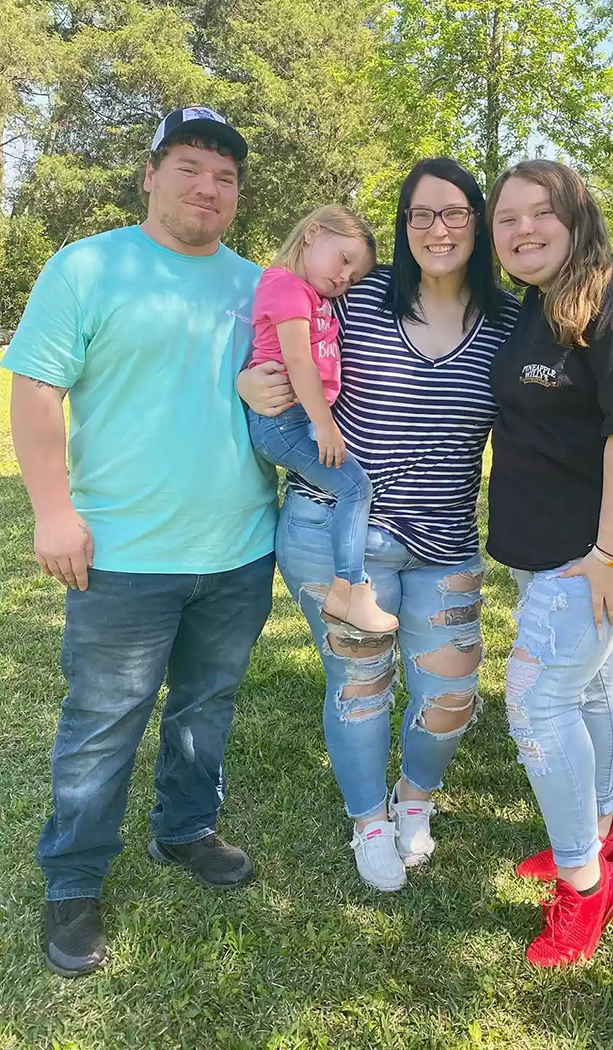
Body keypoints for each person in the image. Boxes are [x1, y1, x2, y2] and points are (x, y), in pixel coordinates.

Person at [3, 106, 278, 978]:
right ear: (151, 174)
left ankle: (186, 830)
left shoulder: (260, 286)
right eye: (192, 166)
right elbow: (36, 389)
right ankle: (74, 878)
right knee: (102, 722)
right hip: (121, 554)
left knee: (207, 704)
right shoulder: (87, 266)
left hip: (239, 547)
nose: (209, 186)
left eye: (226, 176)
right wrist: (53, 511)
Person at [239, 157, 519, 891]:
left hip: (446, 540)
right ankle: (368, 819)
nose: (438, 228)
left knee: (450, 693)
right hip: (336, 533)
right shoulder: (355, 300)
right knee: (360, 687)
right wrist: (244, 380)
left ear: (478, 223)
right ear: (402, 225)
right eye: (419, 214)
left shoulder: (510, 321)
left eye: (455, 212)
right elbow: (275, 338)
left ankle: (413, 800)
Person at [486, 159, 613, 968]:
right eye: (507, 218)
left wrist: (610, 554)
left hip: (602, 548)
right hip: (554, 541)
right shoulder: (538, 304)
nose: (523, 229)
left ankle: (584, 886)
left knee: (536, 703)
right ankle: (601, 833)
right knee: (591, 684)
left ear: (577, 220)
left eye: (542, 214)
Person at [248, 205, 398, 635]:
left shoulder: (313, 296)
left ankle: (348, 589)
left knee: (352, 487)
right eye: (344, 260)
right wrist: (326, 424)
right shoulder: (285, 285)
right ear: (313, 232)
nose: (343, 278)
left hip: (294, 420)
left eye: (352, 277)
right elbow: (297, 360)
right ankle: (349, 590)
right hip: (286, 421)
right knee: (355, 487)